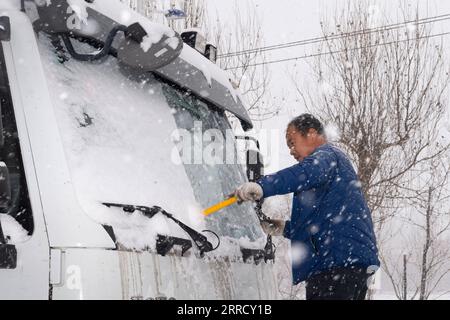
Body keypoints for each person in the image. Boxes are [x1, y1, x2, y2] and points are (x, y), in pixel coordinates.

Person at [233, 114, 380, 300]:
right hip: (347, 262)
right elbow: (322, 223)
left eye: (292, 143)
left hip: (336, 264)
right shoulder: (333, 165)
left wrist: (263, 186)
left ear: (311, 134)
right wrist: (285, 228)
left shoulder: (326, 156)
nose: (291, 151)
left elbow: (302, 174)